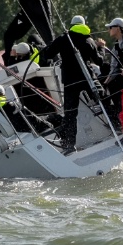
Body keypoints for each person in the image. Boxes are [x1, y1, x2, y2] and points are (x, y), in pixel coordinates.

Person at [37, 15, 101, 150]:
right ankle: (117, 124)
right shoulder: (89, 40)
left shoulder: (63, 39)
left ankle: (69, 143)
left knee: (70, 113)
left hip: (70, 81)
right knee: (102, 99)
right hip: (87, 78)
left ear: (71, 25)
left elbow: (48, 54)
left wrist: (47, 48)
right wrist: (99, 48)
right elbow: (98, 60)